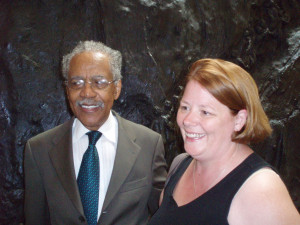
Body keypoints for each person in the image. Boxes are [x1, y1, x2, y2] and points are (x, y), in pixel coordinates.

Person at [24, 40, 167, 225]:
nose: (87, 93)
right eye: (77, 83)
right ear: (67, 91)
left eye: (98, 82)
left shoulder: (149, 144)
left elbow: (164, 216)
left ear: (116, 88)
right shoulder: (38, 150)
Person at [148, 58, 300, 224]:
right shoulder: (180, 166)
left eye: (205, 112)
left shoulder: (260, 189)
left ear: (239, 120)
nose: (188, 120)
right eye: (185, 107)